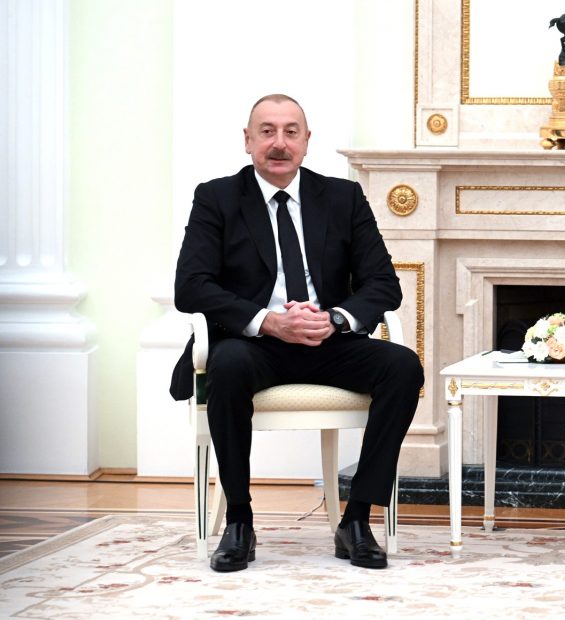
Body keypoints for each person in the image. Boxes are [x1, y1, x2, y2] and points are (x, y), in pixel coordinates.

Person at [169, 94, 423, 572]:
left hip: (329, 343)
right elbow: (191, 286)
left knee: (402, 366)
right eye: (267, 131)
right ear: (248, 141)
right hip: (253, 345)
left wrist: (335, 319)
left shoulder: (343, 198)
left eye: (291, 132)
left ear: (307, 141)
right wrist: (266, 320)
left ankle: (357, 519)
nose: (279, 143)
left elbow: (383, 284)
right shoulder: (217, 198)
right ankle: (239, 522)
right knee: (226, 365)